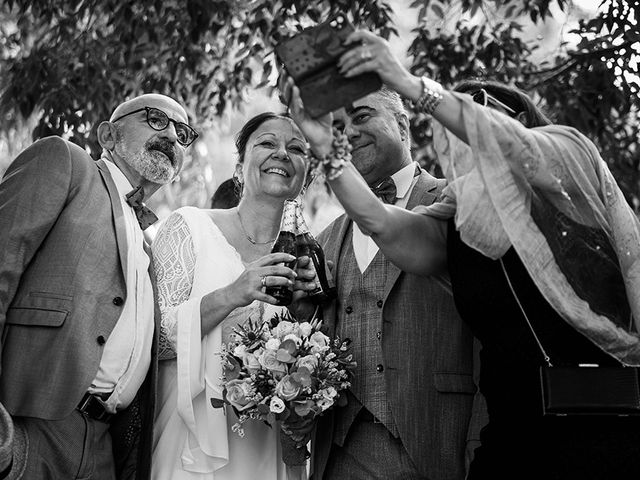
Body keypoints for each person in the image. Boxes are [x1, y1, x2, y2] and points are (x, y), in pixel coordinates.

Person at [284, 29, 640, 480]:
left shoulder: (571, 162)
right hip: (512, 439)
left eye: (481, 113)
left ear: (523, 122)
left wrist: (411, 84)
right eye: (453, 129)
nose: (462, 135)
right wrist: (324, 145)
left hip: (601, 429)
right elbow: (380, 220)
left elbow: (512, 146)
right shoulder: (456, 217)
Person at [292, 86, 485, 480]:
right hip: (343, 452)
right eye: (339, 126)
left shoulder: (459, 202)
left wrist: (480, 441)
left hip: (440, 441)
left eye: (362, 117)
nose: (350, 133)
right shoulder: (326, 238)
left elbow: (490, 332)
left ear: (402, 124)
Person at [0, 93, 197, 479]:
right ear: (108, 135)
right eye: (157, 119)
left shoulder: (150, 242)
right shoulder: (66, 163)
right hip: (31, 424)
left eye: (183, 132)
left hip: (105, 445)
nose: (173, 135)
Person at [150, 112, 312, 480]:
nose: (282, 154)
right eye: (267, 143)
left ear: (307, 177)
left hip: (268, 446)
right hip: (190, 443)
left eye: (297, 148)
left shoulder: (312, 257)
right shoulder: (189, 226)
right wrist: (233, 294)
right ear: (239, 167)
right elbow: (154, 342)